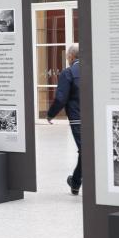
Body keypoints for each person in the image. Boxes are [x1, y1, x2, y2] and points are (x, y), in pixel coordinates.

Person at [47, 44, 81, 195]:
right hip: (94, 117)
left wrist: (50, 114)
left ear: (71, 57)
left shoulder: (68, 73)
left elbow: (61, 98)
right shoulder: (93, 70)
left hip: (78, 119)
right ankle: (75, 182)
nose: (68, 59)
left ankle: (76, 181)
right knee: (88, 151)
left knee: (86, 151)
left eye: (68, 56)